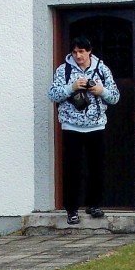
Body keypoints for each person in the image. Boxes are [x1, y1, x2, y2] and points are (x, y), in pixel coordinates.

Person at [48, 35, 120, 225]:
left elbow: (115, 97)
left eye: (81, 51)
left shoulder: (102, 70)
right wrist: (71, 87)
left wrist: (100, 90)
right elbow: (53, 94)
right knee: (72, 170)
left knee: (97, 168)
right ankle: (71, 209)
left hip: (97, 126)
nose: (78, 55)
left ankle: (94, 204)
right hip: (71, 127)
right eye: (74, 52)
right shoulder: (63, 70)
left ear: (89, 51)